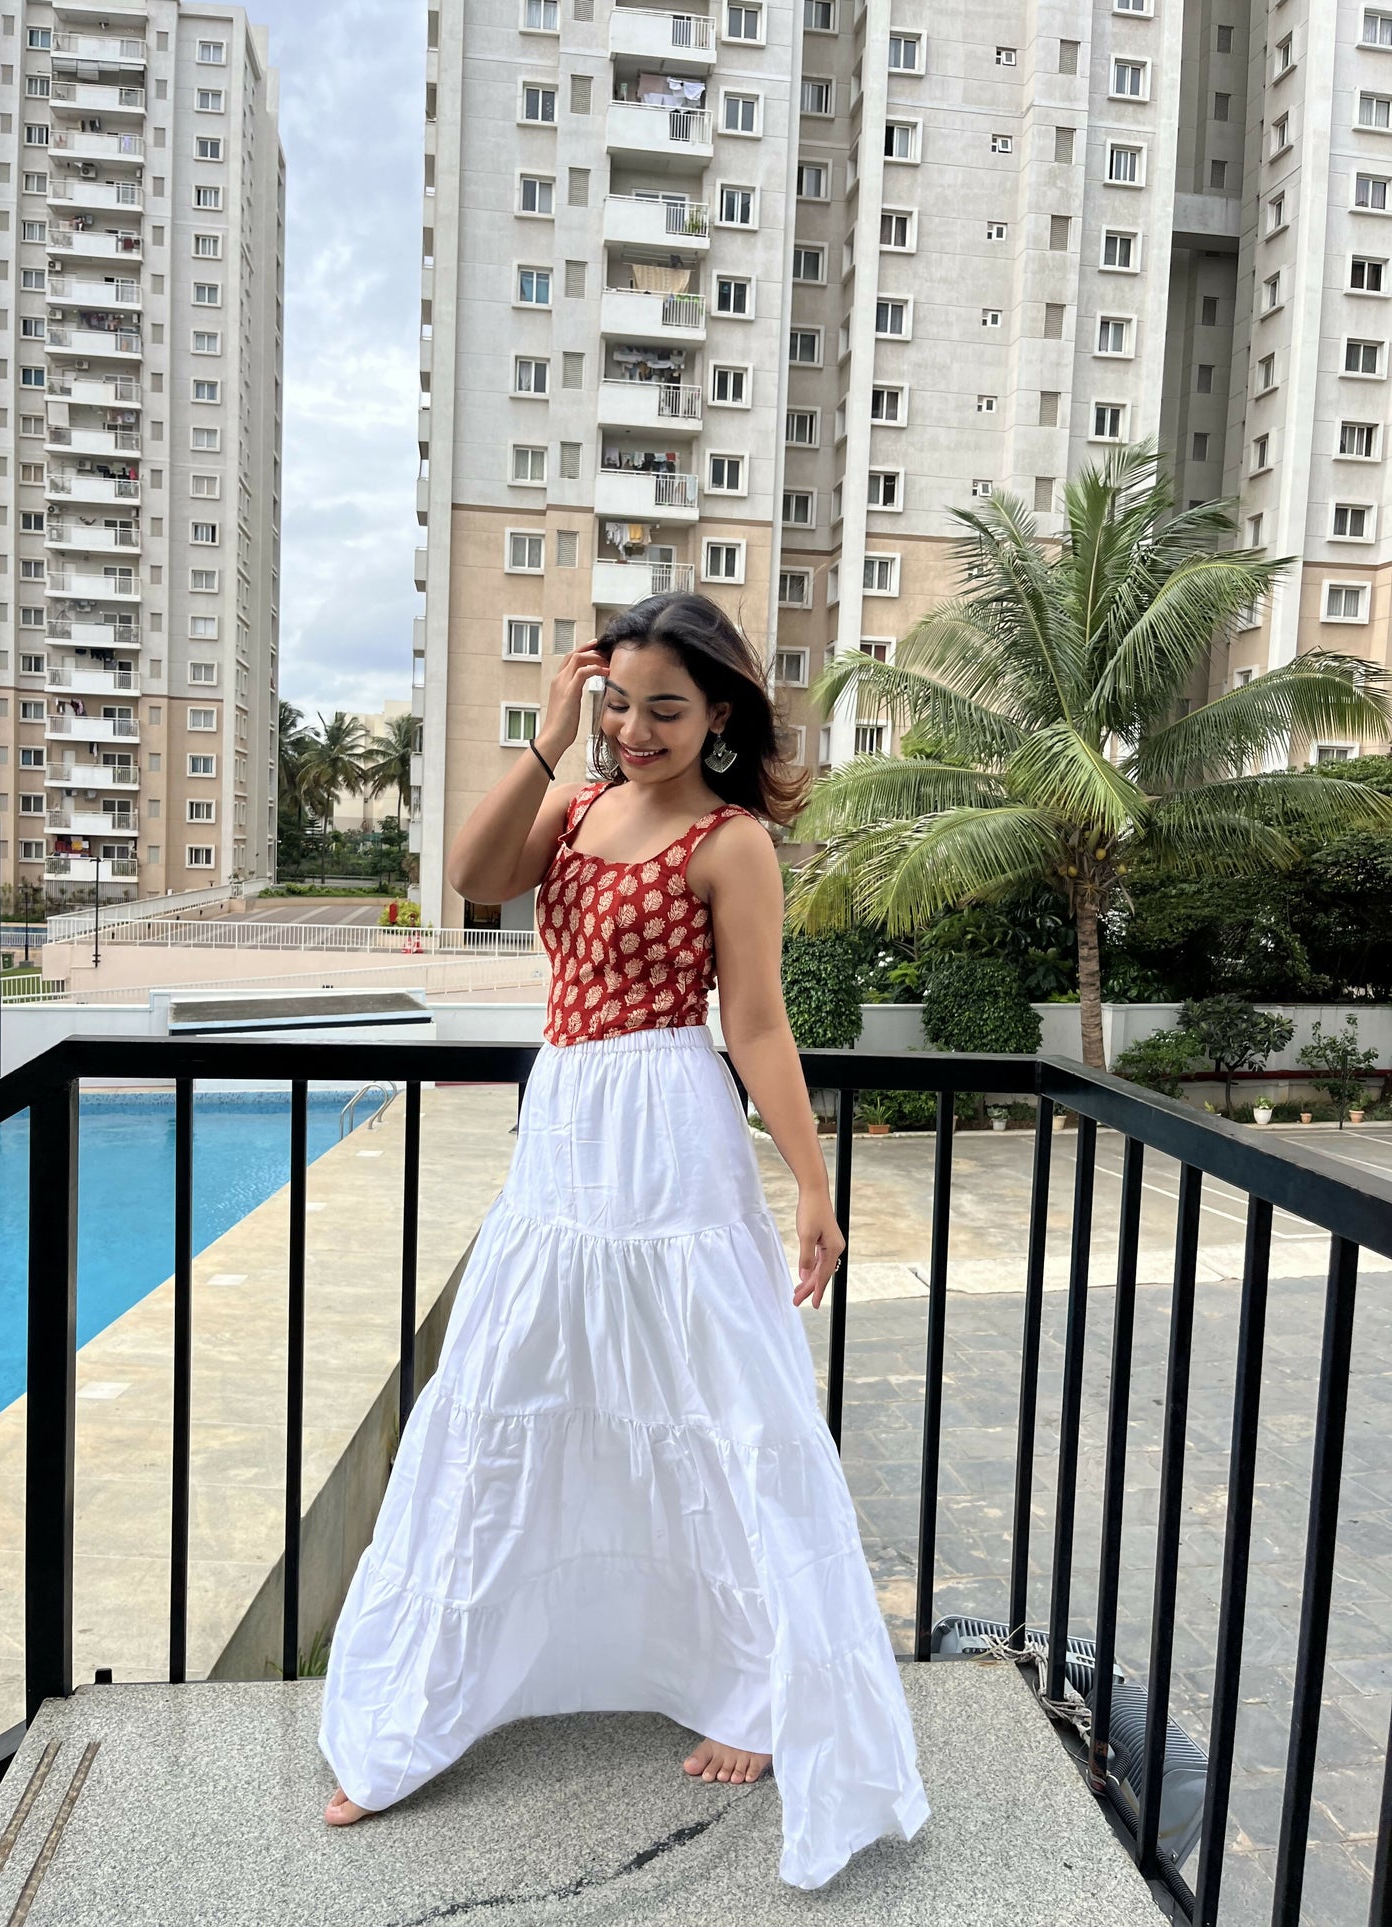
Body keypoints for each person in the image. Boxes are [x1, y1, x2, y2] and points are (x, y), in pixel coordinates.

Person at [317, 593, 930, 1889]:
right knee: (509, 1392)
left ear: (719, 713)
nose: (637, 727)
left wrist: (810, 1191)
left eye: (667, 706)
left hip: (666, 1124)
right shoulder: (581, 803)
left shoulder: (732, 840)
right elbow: (479, 882)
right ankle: (439, 1693)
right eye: (621, 702)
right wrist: (548, 733)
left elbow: (756, 1026)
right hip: (566, 1125)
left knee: (715, 1408)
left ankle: (758, 1690)